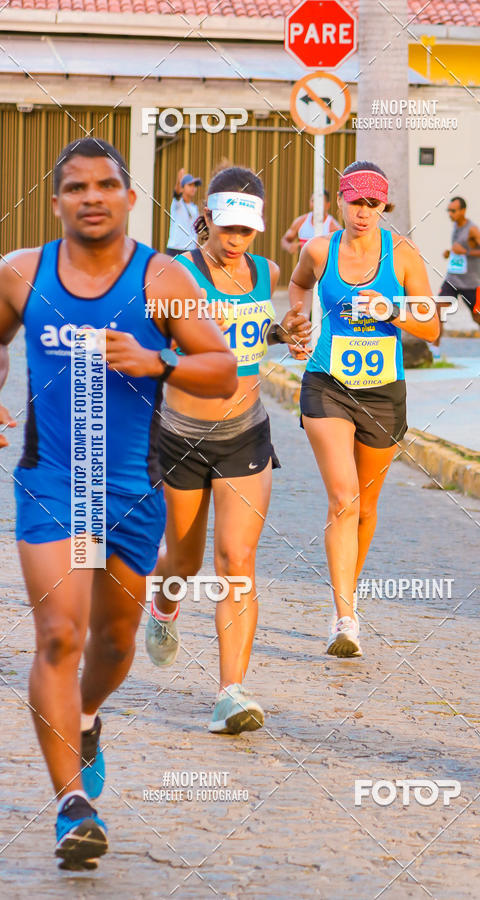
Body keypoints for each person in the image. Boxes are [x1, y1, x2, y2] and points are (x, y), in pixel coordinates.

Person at [0, 138, 237, 871]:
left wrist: (159, 360)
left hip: (133, 486)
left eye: (106, 185)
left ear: (130, 198)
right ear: (57, 202)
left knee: (113, 642)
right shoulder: (20, 273)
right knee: (59, 637)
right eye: (76, 187)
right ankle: (74, 807)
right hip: (53, 481)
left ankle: (87, 716)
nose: (92, 197)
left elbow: (222, 369)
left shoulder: (161, 278)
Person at [145, 166, 311, 734]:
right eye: (227, 227)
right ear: (208, 218)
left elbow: (255, 331)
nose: (236, 239)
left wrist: (284, 333)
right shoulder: (174, 274)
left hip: (245, 433)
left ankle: (230, 694)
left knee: (236, 561)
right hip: (181, 436)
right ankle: (164, 604)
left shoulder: (266, 272)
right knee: (184, 562)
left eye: (246, 229)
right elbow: (146, 349)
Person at [289, 161, 439, 658]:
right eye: (356, 201)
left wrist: (389, 309)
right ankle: (345, 618)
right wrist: (298, 322)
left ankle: (346, 597)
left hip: (382, 393)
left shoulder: (403, 255)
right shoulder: (319, 250)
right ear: (340, 200)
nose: (364, 211)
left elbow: (432, 327)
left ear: (384, 206)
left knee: (366, 507)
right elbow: (299, 285)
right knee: (343, 499)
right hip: (327, 383)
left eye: (373, 204)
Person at [435, 196, 480, 348]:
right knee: (438, 311)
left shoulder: (472, 229)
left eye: (453, 211)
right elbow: (459, 250)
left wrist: (465, 252)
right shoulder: (456, 226)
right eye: (448, 211)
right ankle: (435, 350)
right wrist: (450, 253)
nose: (450, 214)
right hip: (452, 279)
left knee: (477, 317)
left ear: (463, 211)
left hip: (470, 284)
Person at [281, 191, 341, 256]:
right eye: (313, 201)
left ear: (328, 205)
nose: (316, 204)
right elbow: (284, 240)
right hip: (304, 262)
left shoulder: (334, 227)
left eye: (319, 202)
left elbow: (344, 249)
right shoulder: (301, 221)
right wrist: (289, 247)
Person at [166, 168, 202, 256]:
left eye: (194, 186)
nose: (193, 188)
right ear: (182, 188)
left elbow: (195, 231)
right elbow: (177, 194)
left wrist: (196, 247)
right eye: (190, 185)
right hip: (175, 249)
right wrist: (178, 181)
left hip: (190, 250)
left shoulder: (194, 208)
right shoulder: (177, 203)